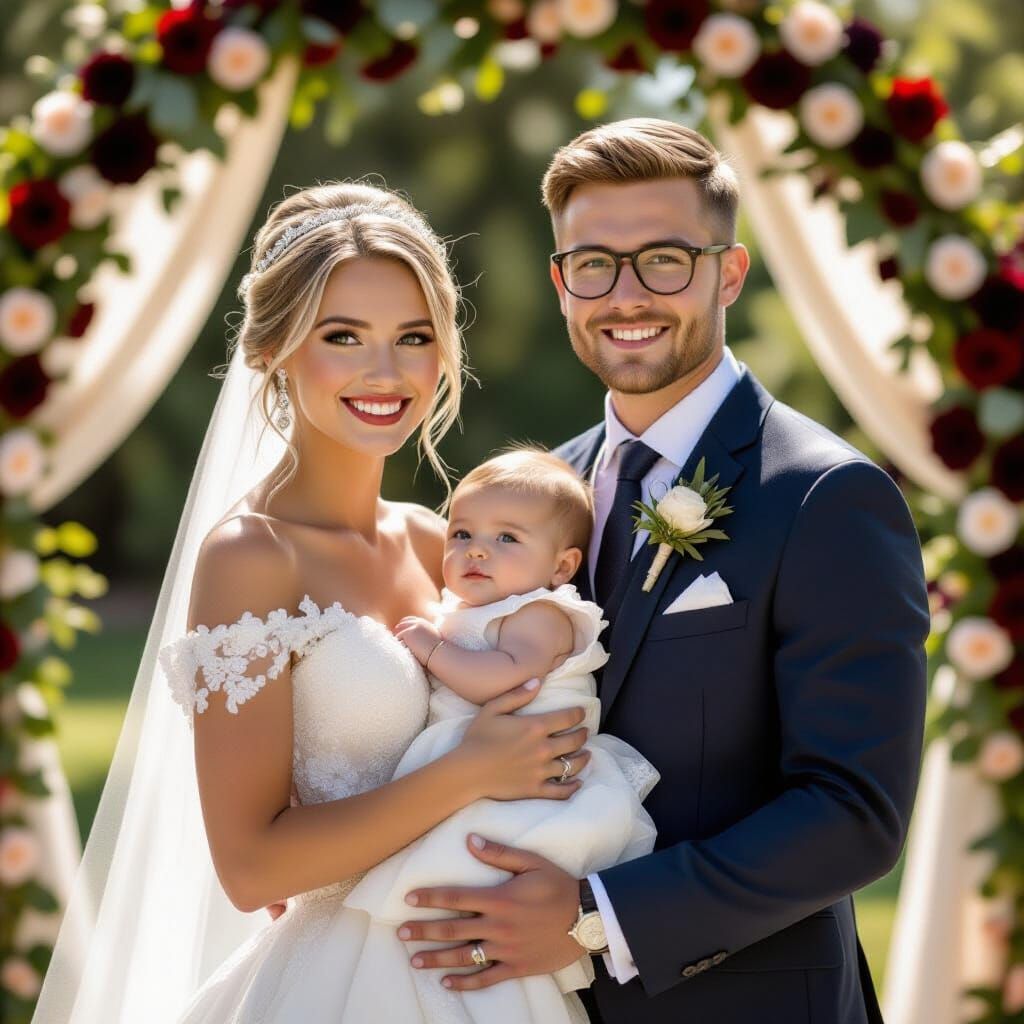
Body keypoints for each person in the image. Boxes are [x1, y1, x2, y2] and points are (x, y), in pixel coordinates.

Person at [391, 119, 930, 1024]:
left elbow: (854, 811)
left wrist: (597, 919)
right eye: (593, 263)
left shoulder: (827, 495)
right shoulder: (542, 493)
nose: (626, 294)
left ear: (728, 271)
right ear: (562, 283)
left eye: (665, 260)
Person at [30, 182, 593, 1024]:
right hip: (343, 985)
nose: (386, 372)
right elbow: (251, 869)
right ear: (275, 351)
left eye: (413, 337)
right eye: (343, 337)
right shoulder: (252, 557)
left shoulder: (443, 544)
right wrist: (471, 768)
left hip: (487, 971)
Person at [335, 447, 659, 1021]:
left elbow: (510, 677)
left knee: (473, 861)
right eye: (461, 533)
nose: (476, 549)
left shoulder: (543, 613)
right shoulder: (472, 606)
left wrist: (433, 650)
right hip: (483, 765)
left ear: (562, 567)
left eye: (507, 538)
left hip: (530, 777)